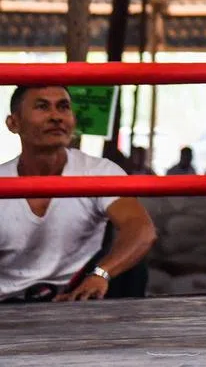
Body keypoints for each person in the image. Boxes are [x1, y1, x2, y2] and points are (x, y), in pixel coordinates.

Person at [0, 85, 156, 302]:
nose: (56, 117)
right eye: (42, 107)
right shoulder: (2, 180)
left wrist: (101, 273)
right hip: (10, 301)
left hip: (80, 292)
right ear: (13, 123)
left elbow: (141, 229)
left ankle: (122, 332)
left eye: (63, 107)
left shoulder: (98, 171)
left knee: (132, 265)